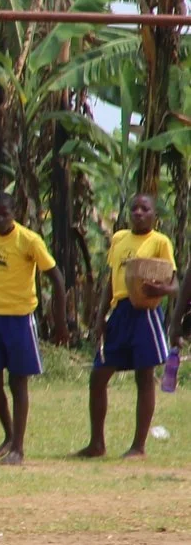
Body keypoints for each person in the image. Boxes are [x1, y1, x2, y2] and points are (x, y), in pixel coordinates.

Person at [79, 191, 175, 459]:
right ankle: (96, 443)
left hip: (145, 312)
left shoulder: (160, 242)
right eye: (134, 209)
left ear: (154, 215)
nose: (139, 213)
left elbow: (174, 284)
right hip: (120, 311)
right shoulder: (119, 239)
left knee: (144, 377)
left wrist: (159, 289)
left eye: (145, 209)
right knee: (98, 376)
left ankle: (138, 446)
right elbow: (111, 281)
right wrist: (100, 317)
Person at [0, 188, 59, 465]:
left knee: (17, 381)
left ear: (15, 214)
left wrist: (60, 320)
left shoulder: (29, 240)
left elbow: (56, 278)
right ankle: (9, 434)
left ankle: (18, 448)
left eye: (5, 214)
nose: (0, 220)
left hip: (19, 318)